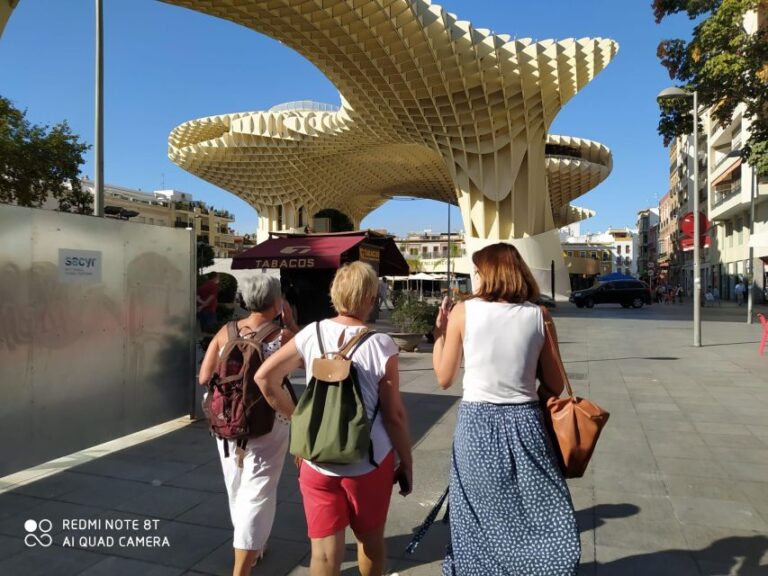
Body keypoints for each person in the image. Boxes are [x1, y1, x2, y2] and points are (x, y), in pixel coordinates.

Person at [255, 261, 413, 576]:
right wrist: (406, 461)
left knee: (324, 555)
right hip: (369, 461)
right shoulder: (381, 344)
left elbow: (264, 379)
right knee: (370, 541)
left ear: (335, 293)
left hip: (316, 461)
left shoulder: (311, 333)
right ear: (370, 297)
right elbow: (393, 415)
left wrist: (298, 420)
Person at [432, 243, 580, 576]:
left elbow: (444, 377)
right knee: (538, 511)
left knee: (477, 519)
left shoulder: (463, 312)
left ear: (487, 273)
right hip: (526, 422)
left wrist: (440, 334)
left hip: (476, 427)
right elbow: (555, 384)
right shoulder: (539, 315)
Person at [198, 275, 298, 576]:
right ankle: (244, 561)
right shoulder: (281, 337)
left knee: (237, 486)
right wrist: (291, 324)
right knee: (259, 490)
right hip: (270, 420)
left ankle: (250, 547)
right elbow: (310, 360)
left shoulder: (226, 331)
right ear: (277, 301)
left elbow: (204, 378)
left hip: (227, 420)